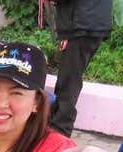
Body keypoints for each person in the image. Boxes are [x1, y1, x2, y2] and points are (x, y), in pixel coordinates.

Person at [49, 0, 114, 137]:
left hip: (82, 24)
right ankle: (55, 126)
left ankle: (60, 132)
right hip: (85, 23)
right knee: (68, 78)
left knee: (69, 80)